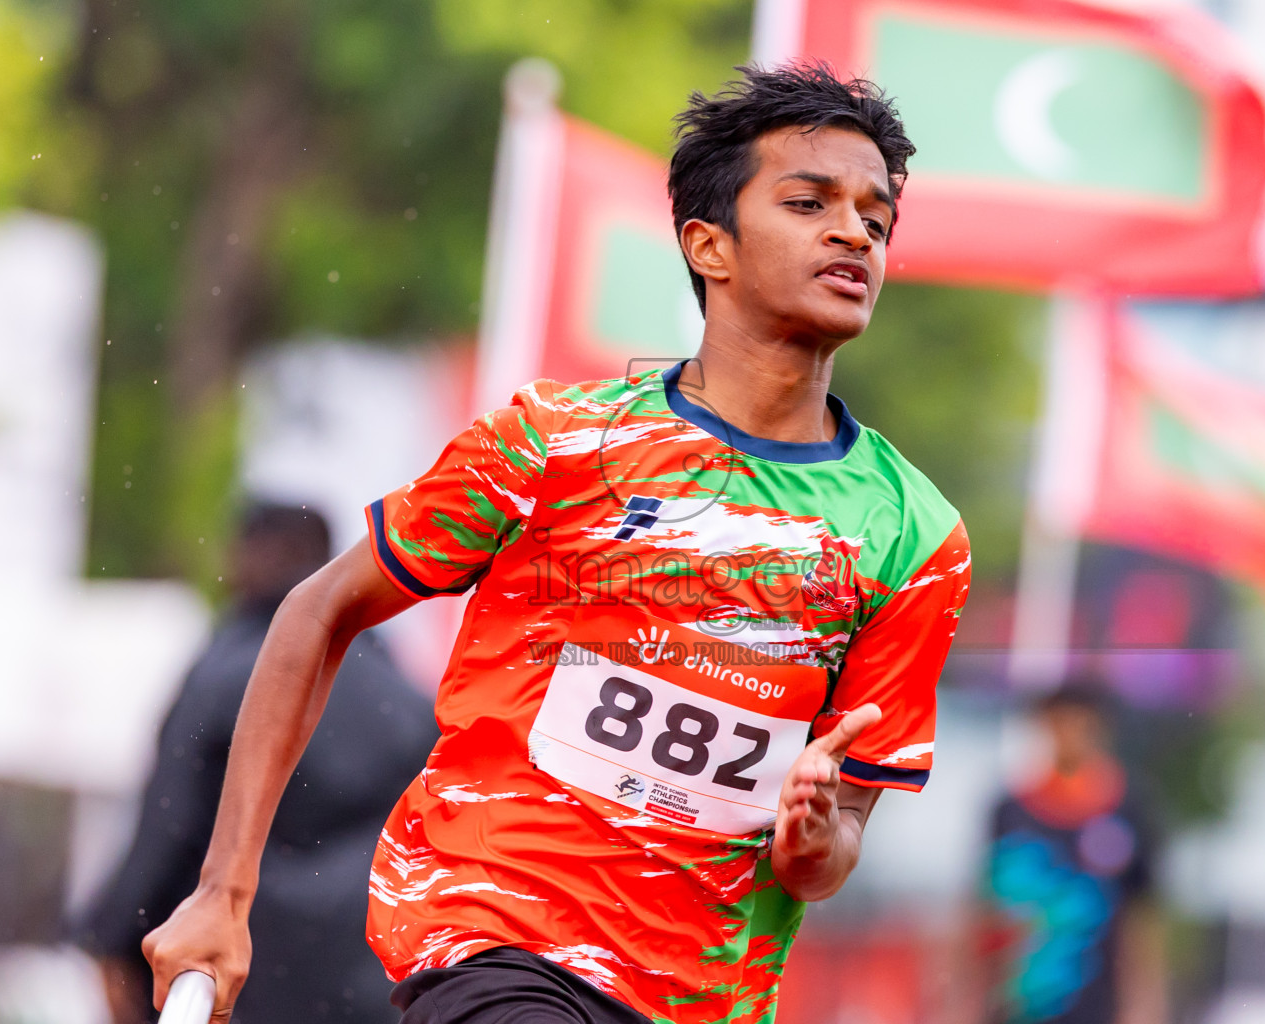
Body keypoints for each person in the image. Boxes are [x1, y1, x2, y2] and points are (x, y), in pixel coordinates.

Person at [143, 63, 972, 1024]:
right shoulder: (556, 442)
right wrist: (222, 891)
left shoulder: (917, 533)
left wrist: (813, 835)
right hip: (497, 934)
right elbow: (318, 610)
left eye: (877, 219)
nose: (852, 234)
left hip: (702, 993)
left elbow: (827, 862)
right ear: (710, 245)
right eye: (808, 202)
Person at [75, 503, 437, 1024]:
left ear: (249, 556)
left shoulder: (225, 679)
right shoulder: (409, 700)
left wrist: (112, 939)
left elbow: (167, 826)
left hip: (245, 977)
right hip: (373, 980)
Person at [954, 679, 1166, 1024]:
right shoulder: (1009, 811)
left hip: (1097, 1008)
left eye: (1082, 723)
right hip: (1015, 1005)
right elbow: (981, 910)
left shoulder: (1129, 809)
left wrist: (1145, 1005)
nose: (1070, 733)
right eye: (1060, 721)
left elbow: (1141, 918)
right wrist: (963, 996)